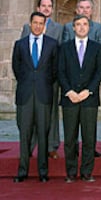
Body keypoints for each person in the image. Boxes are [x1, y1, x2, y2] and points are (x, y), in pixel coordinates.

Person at [12, 12, 58, 183]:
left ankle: (43, 172)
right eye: (35, 23)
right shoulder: (20, 44)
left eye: (41, 23)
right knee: (24, 135)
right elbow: (17, 68)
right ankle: (22, 171)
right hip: (25, 96)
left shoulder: (52, 44)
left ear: (44, 25)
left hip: (43, 95)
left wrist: (42, 83)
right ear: (30, 24)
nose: (38, 26)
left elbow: (54, 70)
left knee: (43, 134)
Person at [59, 15, 101, 183]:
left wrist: (89, 91)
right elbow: (60, 71)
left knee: (89, 138)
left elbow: (99, 72)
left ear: (89, 27)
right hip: (69, 99)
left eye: (85, 24)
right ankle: (70, 172)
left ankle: (87, 172)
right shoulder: (64, 48)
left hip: (89, 99)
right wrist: (69, 91)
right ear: (73, 27)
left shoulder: (97, 48)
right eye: (78, 24)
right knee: (70, 138)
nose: (82, 27)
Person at [20, 0, 63, 160]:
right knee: (29, 115)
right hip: (30, 80)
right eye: (43, 6)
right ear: (38, 8)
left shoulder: (58, 29)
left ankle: (51, 146)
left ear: (52, 10)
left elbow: (58, 55)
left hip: (50, 80)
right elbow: (21, 52)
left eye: (49, 6)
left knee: (50, 114)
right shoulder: (27, 27)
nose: (46, 8)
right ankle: (29, 146)